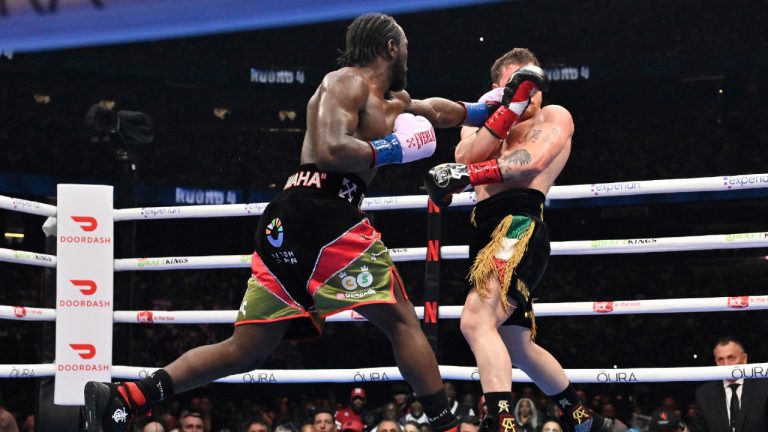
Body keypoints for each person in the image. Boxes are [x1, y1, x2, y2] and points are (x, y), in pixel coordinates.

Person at [84, 12, 499, 432]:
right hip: (323, 212)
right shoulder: (346, 81)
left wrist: (489, 109)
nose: (409, 53)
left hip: (290, 222)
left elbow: (441, 112)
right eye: (405, 45)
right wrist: (393, 149)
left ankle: (125, 398)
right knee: (400, 320)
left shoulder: (394, 101)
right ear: (391, 47)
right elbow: (332, 150)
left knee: (246, 350)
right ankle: (446, 425)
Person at [423, 48, 613, 432]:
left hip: (518, 223)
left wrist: (466, 175)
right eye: (520, 85)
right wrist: (503, 113)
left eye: (535, 86)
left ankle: (502, 421)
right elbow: (464, 155)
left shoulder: (554, 116)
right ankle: (582, 419)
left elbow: (532, 161)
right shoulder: (482, 123)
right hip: (484, 232)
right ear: (499, 88)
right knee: (514, 344)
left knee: (476, 321)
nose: (532, 94)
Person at [690, 337, 768, 432]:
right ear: (716, 362)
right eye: (721, 359)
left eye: (731, 358)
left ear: (744, 359)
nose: (726, 364)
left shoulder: (764, 388)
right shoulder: (704, 394)